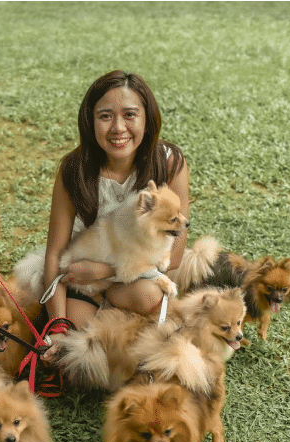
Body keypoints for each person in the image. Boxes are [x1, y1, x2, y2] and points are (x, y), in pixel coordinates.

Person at [40, 70, 190, 354]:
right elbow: (54, 254)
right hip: (83, 274)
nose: (118, 128)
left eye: (130, 115)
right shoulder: (74, 170)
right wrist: (58, 326)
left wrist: (104, 271)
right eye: (105, 116)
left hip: (129, 276)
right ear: (90, 120)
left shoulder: (169, 162)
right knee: (77, 342)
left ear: (147, 118)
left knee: (148, 296)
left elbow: (176, 251)